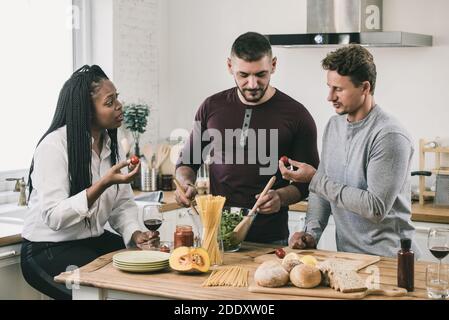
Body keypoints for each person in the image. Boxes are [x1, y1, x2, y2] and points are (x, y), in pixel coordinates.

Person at [21, 65, 158, 300]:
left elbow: (122, 205)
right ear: (86, 110)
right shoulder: (54, 147)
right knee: (105, 295)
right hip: (47, 248)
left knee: (148, 274)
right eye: (109, 102)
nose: (119, 106)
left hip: (89, 242)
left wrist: (135, 233)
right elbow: (54, 216)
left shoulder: (110, 145)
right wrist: (102, 184)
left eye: (117, 98)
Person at [175, 32, 319, 244]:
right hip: (216, 237)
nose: (252, 84)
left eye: (260, 74)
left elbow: (309, 182)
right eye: (243, 75)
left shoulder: (297, 115)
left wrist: (280, 197)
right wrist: (185, 184)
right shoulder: (211, 107)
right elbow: (188, 162)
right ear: (229, 67)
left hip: (270, 240)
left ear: (274, 65)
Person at [281, 44, 419, 257]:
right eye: (329, 87)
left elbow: (375, 208)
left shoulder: (389, 135)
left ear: (365, 88)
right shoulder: (333, 126)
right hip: (348, 258)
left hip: (390, 260)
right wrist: (311, 233)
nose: (330, 96)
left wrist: (315, 179)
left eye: (338, 89)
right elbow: (322, 192)